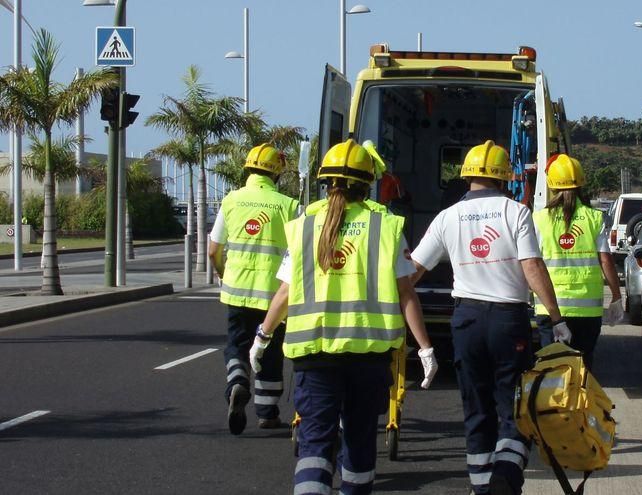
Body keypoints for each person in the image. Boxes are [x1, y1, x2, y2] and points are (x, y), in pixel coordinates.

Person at [253, 139, 438, 495]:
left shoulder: (304, 226)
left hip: (314, 355)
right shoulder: (385, 227)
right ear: (368, 183)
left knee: (314, 445)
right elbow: (405, 293)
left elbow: (285, 293)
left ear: (326, 182)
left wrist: (263, 334)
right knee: (358, 442)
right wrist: (426, 348)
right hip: (368, 356)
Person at [409, 140, 571, 495]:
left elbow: (412, 273)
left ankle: (481, 487)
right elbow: (531, 266)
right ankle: (506, 478)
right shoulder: (516, 212)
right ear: (504, 178)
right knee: (514, 407)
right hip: (507, 321)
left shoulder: (446, 217)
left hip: (465, 321)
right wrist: (556, 318)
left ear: (466, 177)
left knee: (476, 410)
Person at [208, 144, 298, 435]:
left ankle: (236, 381)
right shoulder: (288, 205)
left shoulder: (231, 200)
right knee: (269, 352)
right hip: (274, 295)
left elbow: (213, 250)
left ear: (247, 169)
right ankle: (267, 413)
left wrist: (224, 274)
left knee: (236, 344)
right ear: (277, 174)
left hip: (237, 290)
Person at [532, 154, 623, 371]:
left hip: (550, 309)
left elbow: (531, 263)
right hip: (587, 313)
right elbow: (605, 260)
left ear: (551, 185)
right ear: (581, 182)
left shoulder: (538, 219)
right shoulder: (594, 218)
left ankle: (555, 406)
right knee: (582, 370)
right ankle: (580, 405)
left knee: (552, 371)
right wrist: (617, 297)